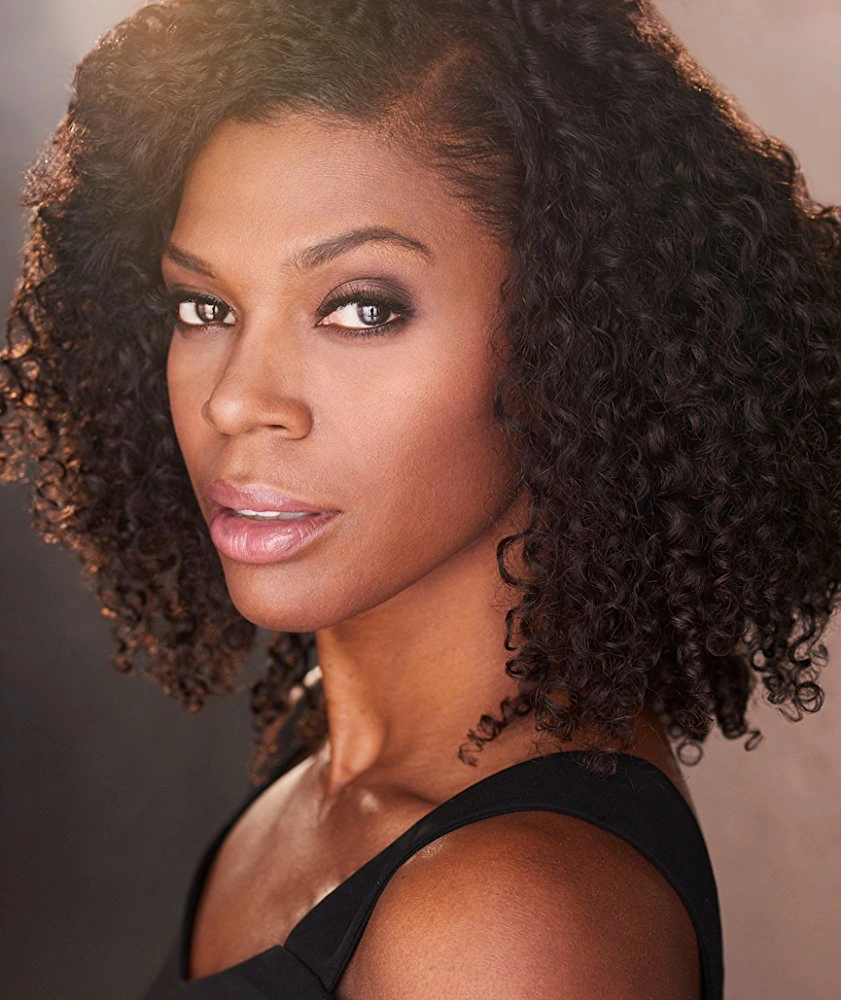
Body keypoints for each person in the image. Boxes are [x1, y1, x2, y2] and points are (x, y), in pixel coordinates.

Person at [3, 0, 840, 997]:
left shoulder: (506, 922)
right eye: (204, 305)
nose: (235, 398)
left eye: (363, 309)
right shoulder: (337, 762)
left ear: (575, 340)